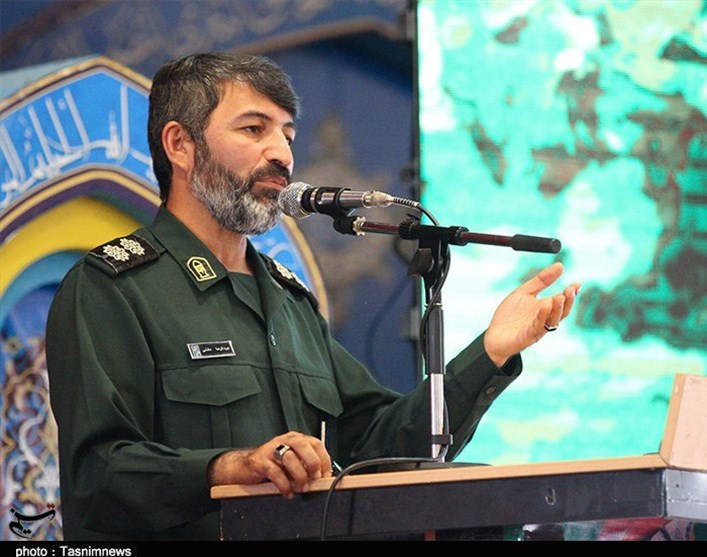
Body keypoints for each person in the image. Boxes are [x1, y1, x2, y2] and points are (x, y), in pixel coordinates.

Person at [45, 52, 580, 541]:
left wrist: (491, 351)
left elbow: (379, 451)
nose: (281, 154)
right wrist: (228, 468)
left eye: (288, 136)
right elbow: (97, 476)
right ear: (180, 145)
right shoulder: (113, 289)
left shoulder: (288, 301)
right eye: (254, 129)